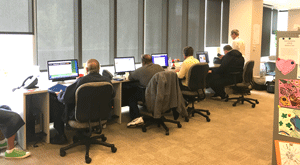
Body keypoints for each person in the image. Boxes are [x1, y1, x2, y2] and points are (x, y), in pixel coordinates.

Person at [50, 59, 115, 144]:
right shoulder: (107, 81)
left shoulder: (82, 81)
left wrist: (59, 94)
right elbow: (112, 95)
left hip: (81, 116)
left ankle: (61, 135)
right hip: (101, 116)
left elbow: (66, 98)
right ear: (99, 68)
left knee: (56, 101)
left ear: (86, 69)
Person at [126, 54, 164, 127]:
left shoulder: (141, 70)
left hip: (149, 94)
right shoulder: (159, 67)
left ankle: (136, 118)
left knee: (131, 95)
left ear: (143, 62)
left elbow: (130, 77)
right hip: (160, 93)